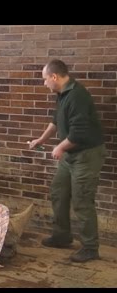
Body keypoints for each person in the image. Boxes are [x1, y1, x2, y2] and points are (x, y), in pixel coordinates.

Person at [29, 59, 106, 263]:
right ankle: (62, 236)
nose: (44, 84)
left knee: (82, 201)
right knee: (59, 192)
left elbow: (80, 132)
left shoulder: (78, 96)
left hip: (86, 155)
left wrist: (60, 147)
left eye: (45, 79)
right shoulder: (62, 94)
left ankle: (90, 247)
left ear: (54, 77)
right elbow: (56, 121)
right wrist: (41, 139)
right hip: (71, 155)